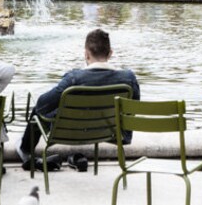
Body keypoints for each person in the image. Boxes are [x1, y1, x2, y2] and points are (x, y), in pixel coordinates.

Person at [15, 29, 140, 168]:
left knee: (38, 111)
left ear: (86, 54)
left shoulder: (73, 78)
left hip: (68, 131)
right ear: (110, 53)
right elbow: (132, 111)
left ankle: (25, 150)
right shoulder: (128, 78)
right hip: (106, 132)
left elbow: (42, 106)